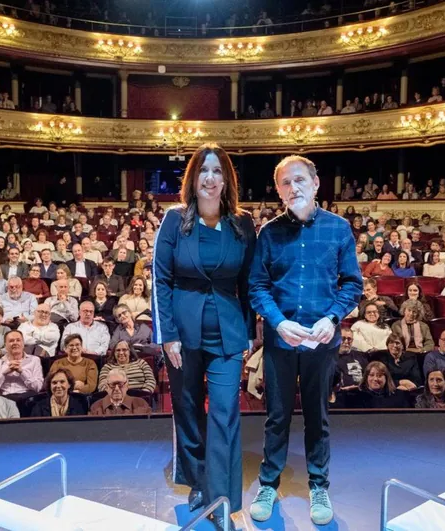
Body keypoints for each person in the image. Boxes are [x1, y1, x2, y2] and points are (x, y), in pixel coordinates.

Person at [248, 155, 362, 526]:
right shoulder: (268, 233)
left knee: (318, 417)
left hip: (321, 341)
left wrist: (332, 317)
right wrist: (278, 323)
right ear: (279, 190)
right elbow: (257, 286)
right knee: (276, 417)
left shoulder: (339, 229)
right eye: (284, 183)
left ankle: (318, 484)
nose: (292, 188)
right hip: (282, 342)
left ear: (315, 183)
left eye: (299, 180)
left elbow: (352, 284)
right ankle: (268, 483)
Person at [152, 143, 257, 529]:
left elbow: (249, 281)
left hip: (228, 331)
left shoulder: (242, 224)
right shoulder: (174, 219)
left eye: (217, 172)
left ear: (227, 180)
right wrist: (167, 335)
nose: (210, 179)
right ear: (193, 179)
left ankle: (222, 497)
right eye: (204, 171)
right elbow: (160, 278)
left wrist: (249, 330)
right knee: (189, 410)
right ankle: (197, 481)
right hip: (183, 331)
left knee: (226, 412)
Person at [343, 361, 412, 408]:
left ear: (386, 378)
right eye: (371, 375)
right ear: (366, 377)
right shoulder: (356, 396)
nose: (375, 379)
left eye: (379, 375)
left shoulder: (399, 396)